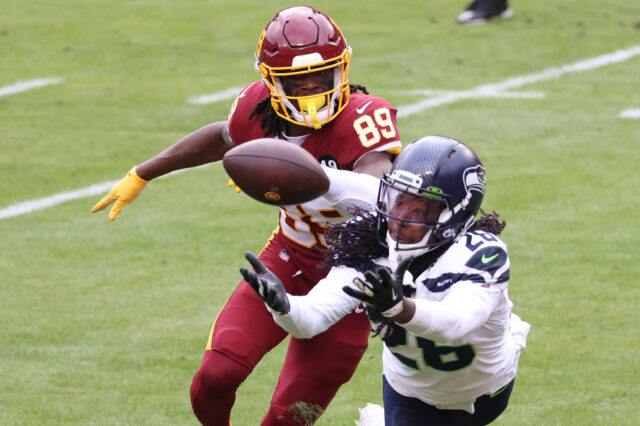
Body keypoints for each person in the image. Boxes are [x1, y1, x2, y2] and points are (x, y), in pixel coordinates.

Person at [91, 6, 402, 425]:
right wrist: (143, 172)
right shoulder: (257, 109)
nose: (311, 88)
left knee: (288, 418)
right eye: (296, 80)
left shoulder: (365, 118)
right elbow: (223, 136)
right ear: (270, 82)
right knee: (215, 378)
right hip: (288, 259)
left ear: (341, 69)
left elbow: (379, 188)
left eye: (321, 75)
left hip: (350, 281)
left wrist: (318, 179)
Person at [241, 135, 530, 425]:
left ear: (453, 214)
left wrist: (398, 308)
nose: (400, 218)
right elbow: (311, 320)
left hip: (486, 391)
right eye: (398, 200)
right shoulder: (370, 245)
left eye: (419, 210)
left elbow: (457, 323)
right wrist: (283, 307)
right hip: (409, 393)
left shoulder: (479, 252)